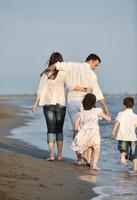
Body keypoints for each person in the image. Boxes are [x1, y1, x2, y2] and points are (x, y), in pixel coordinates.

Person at [48, 53, 110, 163]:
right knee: (85, 130)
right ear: (91, 61)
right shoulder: (91, 74)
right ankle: (86, 157)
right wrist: (105, 105)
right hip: (84, 104)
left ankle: (78, 158)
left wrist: (47, 71)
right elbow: (97, 91)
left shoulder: (72, 65)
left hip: (71, 102)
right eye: (96, 65)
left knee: (76, 130)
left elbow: (56, 65)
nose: (95, 68)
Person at [32, 52, 90, 161]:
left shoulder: (46, 73)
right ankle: (59, 155)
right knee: (59, 130)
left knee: (50, 130)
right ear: (60, 61)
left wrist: (36, 103)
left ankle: (51, 155)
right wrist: (85, 89)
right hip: (60, 105)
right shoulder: (64, 72)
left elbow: (41, 89)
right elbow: (71, 86)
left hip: (47, 104)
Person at [71, 93, 111, 170]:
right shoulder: (98, 110)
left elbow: (76, 124)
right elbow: (108, 119)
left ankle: (80, 159)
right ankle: (94, 165)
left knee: (79, 146)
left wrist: (75, 131)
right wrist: (107, 111)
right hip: (94, 133)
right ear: (94, 103)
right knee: (96, 148)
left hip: (84, 132)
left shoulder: (81, 113)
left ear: (84, 102)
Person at [112, 97, 137, 171]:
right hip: (132, 137)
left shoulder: (121, 114)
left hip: (122, 136)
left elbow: (117, 123)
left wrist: (113, 131)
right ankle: (135, 167)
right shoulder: (135, 116)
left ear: (124, 106)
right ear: (133, 105)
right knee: (134, 153)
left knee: (123, 149)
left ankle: (123, 155)